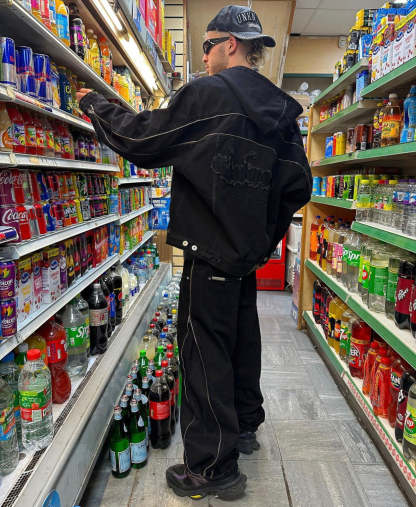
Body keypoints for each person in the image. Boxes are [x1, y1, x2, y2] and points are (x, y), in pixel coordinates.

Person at [77, 4, 312, 500]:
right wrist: (262, 239)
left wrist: (97, 106)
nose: (203, 57)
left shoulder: (207, 95)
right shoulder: (281, 112)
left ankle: (211, 468)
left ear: (230, 44)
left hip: (208, 255)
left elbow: (144, 140)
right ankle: (244, 425)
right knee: (242, 343)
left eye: (207, 46)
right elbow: (298, 186)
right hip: (245, 258)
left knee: (204, 357)